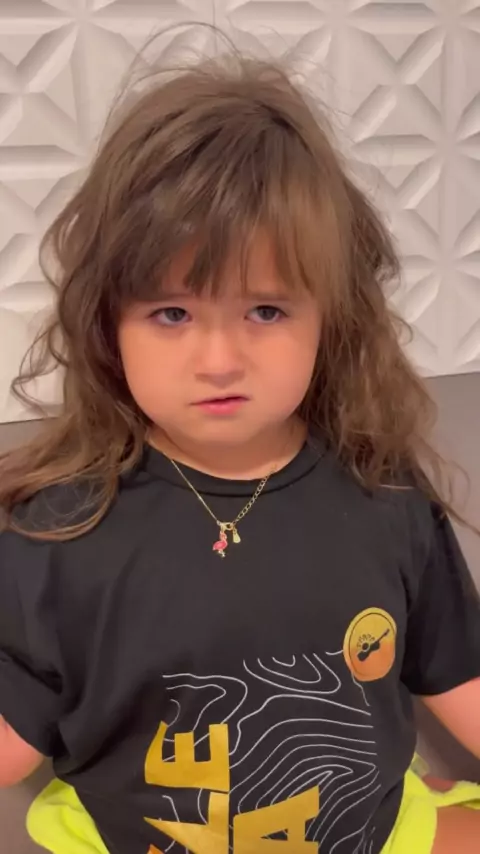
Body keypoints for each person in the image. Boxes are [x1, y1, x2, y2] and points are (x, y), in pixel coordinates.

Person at [0, 51, 479, 854]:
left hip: (379, 831)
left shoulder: (385, 490)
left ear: (330, 318)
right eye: (172, 314)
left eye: (264, 311)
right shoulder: (57, 531)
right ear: (107, 325)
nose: (219, 361)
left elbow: (455, 671)